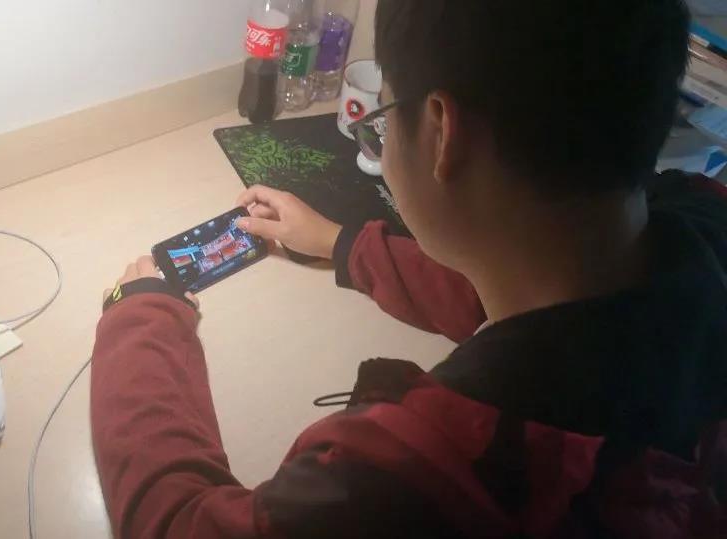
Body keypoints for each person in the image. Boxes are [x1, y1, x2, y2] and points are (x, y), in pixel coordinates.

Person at [90, 0, 727, 537]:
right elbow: (530, 283)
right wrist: (341, 244)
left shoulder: (407, 472)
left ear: (443, 132)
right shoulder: (699, 218)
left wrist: (139, 318)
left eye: (385, 117)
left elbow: (178, 524)